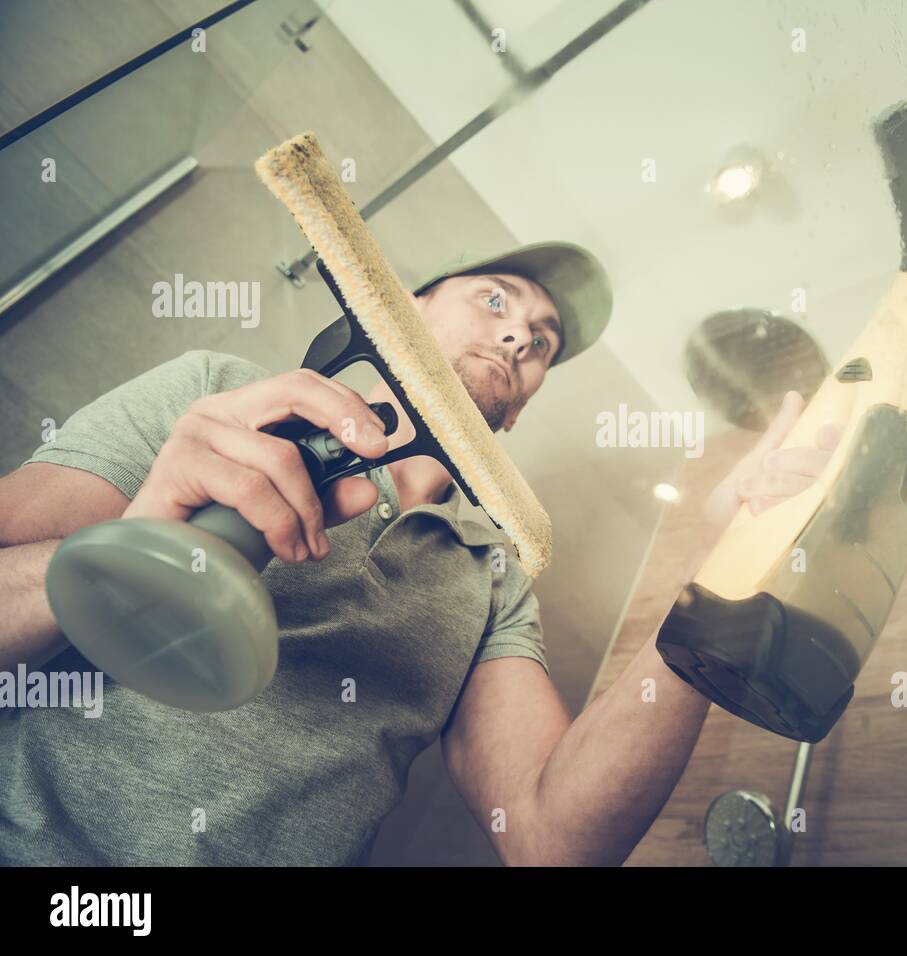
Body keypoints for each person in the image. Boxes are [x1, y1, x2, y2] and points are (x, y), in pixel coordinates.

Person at [0, 240, 839, 866]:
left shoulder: (492, 576)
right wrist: (135, 547)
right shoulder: (216, 396)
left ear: (519, 409)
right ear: (399, 307)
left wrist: (723, 568)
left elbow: (552, 839)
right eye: (495, 301)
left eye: (542, 341)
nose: (520, 338)